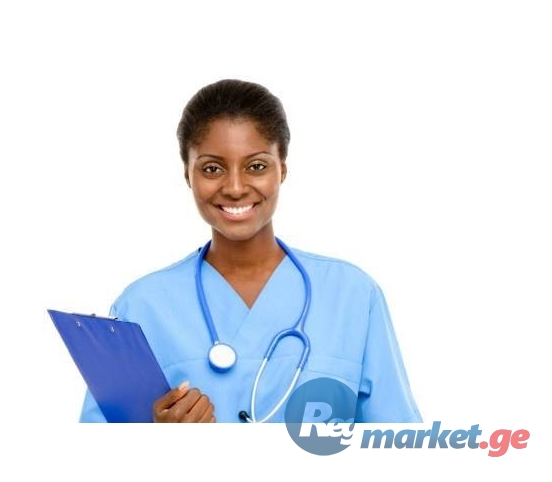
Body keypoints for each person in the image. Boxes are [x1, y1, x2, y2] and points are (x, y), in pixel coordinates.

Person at [80, 79, 422, 423]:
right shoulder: (141, 307)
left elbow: (397, 442)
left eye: (256, 166)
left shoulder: (352, 295)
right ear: (187, 175)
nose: (235, 187)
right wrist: (153, 439)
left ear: (282, 168)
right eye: (212, 168)